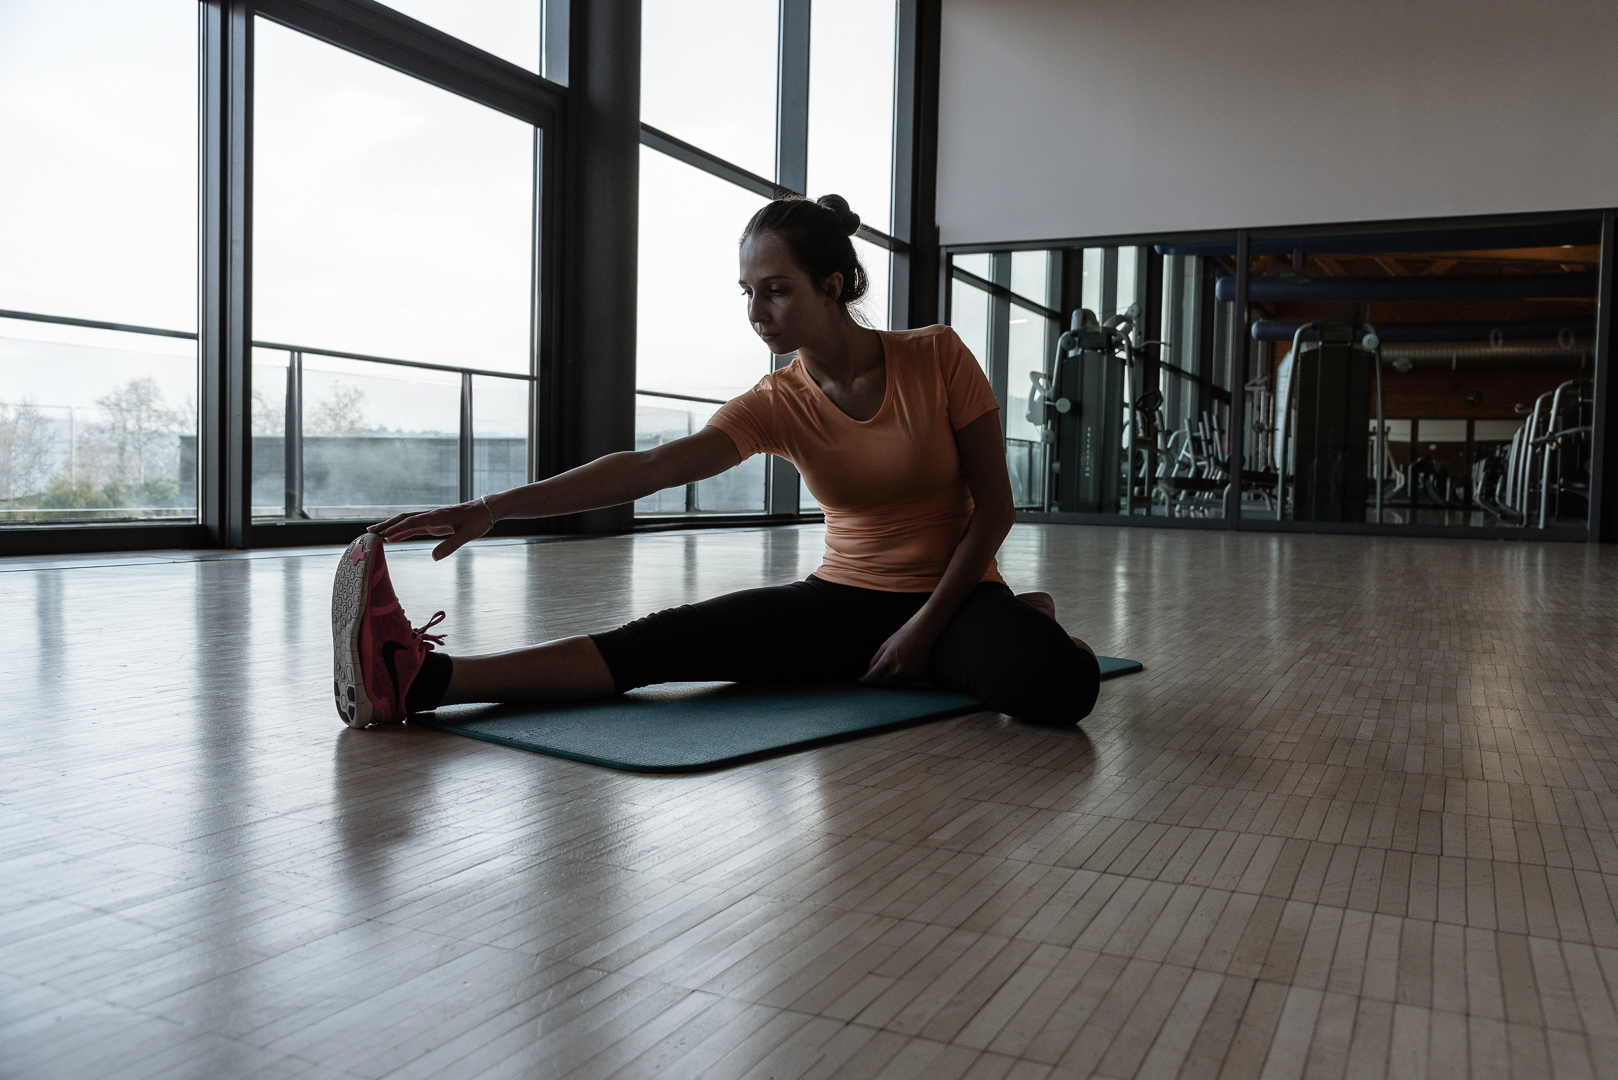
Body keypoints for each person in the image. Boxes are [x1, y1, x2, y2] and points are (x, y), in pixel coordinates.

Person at [330, 194, 1100, 730]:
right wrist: (496, 506)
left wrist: (928, 629)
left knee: (1058, 689)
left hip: (954, 596)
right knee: (656, 645)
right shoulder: (777, 400)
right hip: (841, 600)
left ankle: (1015, 620)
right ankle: (422, 680)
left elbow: (995, 510)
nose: (758, 313)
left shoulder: (937, 357)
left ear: (831, 287)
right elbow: (652, 466)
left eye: (776, 291)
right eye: (747, 293)